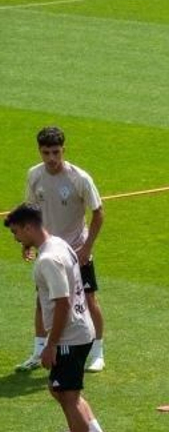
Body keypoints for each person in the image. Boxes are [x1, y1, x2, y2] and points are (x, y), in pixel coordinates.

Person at [5, 204, 112, 432]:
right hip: (80, 330)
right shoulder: (59, 245)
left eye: (16, 232)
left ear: (29, 227)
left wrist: (50, 345)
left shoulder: (48, 260)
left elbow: (62, 302)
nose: (16, 238)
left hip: (68, 337)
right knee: (61, 391)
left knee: (68, 397)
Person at [21, 126, 105, 373]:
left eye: (56, 152)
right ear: (39, 151)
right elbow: (32, 211)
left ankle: (98, 352)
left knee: (88, 299)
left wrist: (86, 248)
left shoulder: (79, 178)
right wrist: (27, 242)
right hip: (49, 253)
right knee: (42, 300)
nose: (51, 158)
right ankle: (38, 351)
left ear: (64, 150)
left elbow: (98, 212)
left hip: (77, 251)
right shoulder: (34, 176)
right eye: (46, 153)